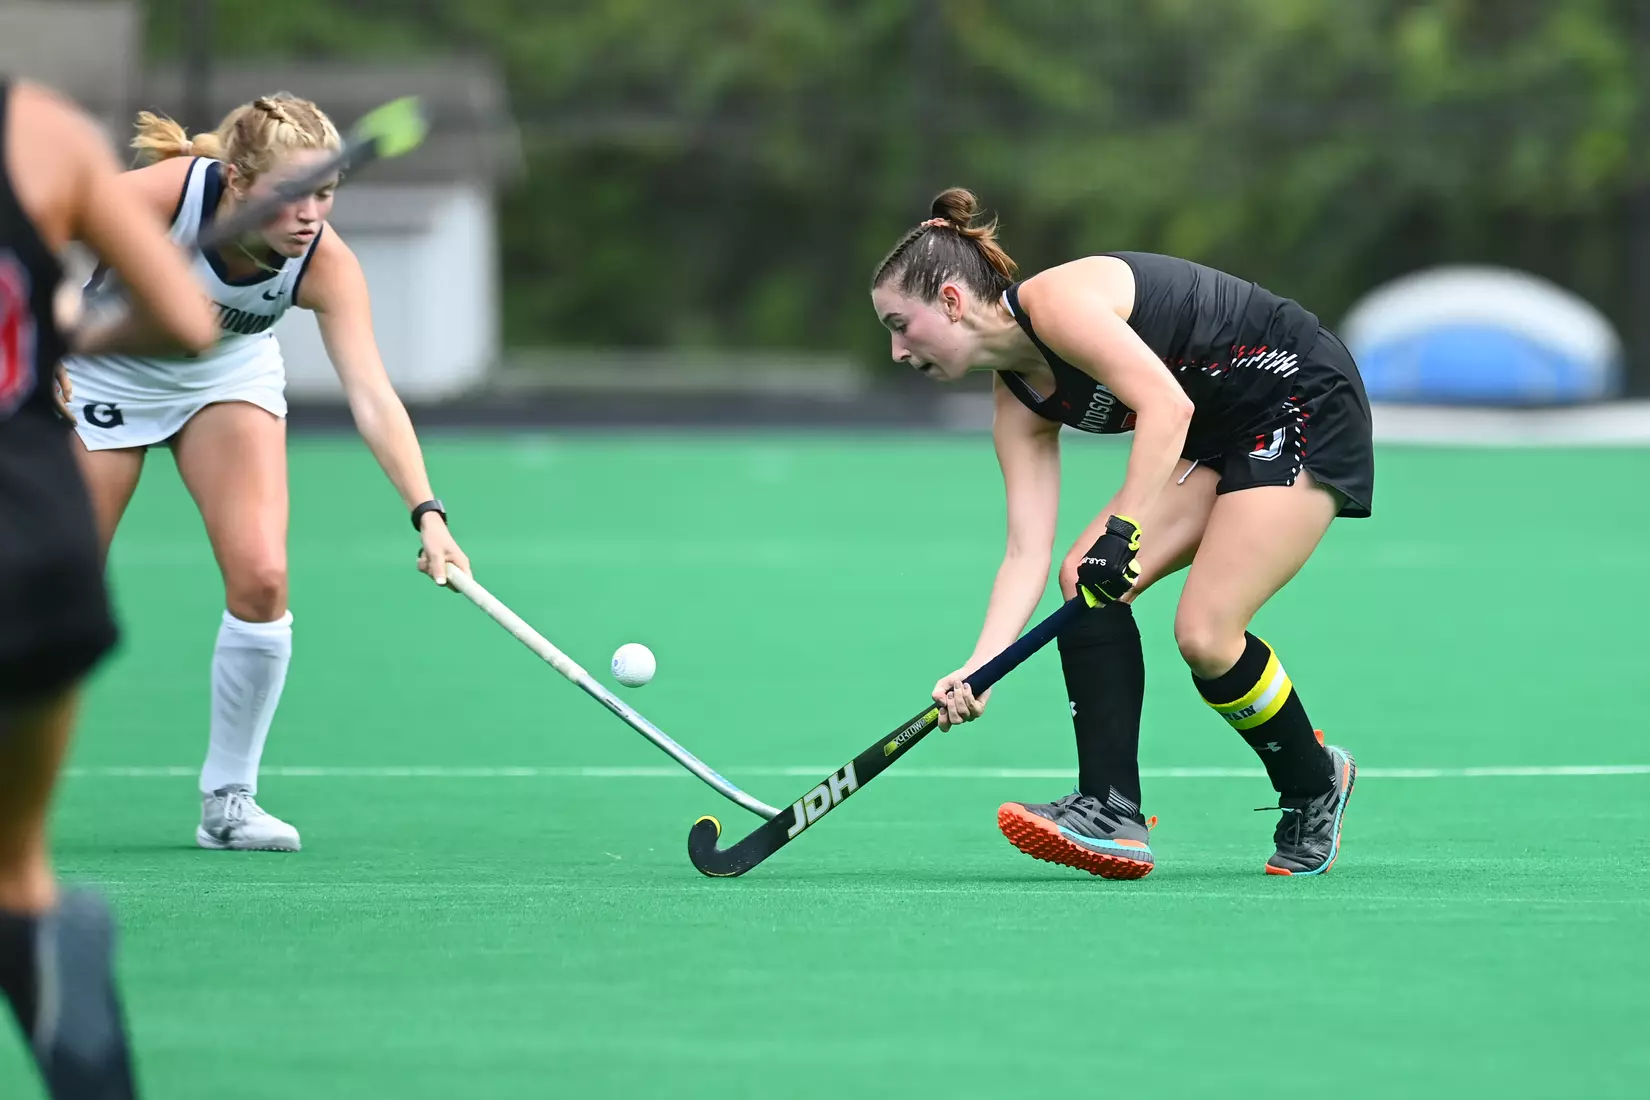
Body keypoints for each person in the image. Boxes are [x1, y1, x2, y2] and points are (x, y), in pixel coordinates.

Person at [870, 189, 1371, 878]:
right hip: (1219, 431)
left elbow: (1166, 404)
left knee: (1205, 633)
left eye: (902, 325)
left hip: (1298, 396)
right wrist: (979, 668)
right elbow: (1025, 550)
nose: (897, 351)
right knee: (1082, 576)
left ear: (952, 302)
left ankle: (1315, 786)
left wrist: (1124, 530)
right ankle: (1111, 808)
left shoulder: (1058, 306)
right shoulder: (1016, 401)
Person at [64, 92, 471, 852]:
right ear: (238, 182)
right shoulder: (170, 194)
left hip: (225, 378)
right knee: (53, 586)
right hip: (105, 374)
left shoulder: (326, 265)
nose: (311, 214)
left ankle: (229, 800)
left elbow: (373, 397)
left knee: (262, 578)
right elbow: (41, 222)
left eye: (324, 193)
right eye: (293, 195)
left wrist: (429, 512)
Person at [1, 76, 219, 1098]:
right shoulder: (43, 132)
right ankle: (47, 949)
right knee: (15, 874)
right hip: (32, 547)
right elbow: (185, 319)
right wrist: (54, 331)